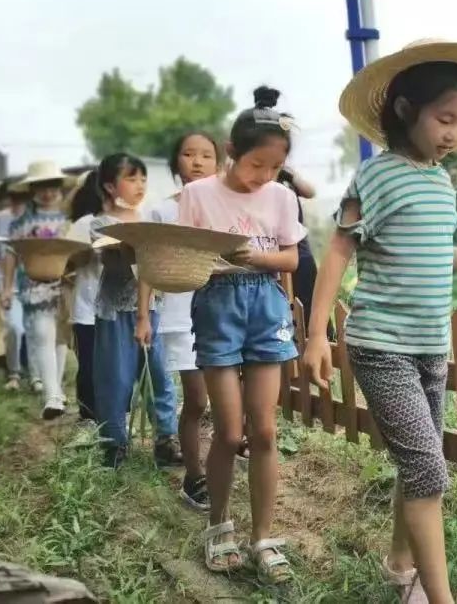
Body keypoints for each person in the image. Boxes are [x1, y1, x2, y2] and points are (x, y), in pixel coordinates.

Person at [304, 41, 457, 604]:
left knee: (418, 460)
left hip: (430, 347)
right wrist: (316, 335)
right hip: (382, 344)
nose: (453, 133)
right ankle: (441, 598)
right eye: (443, 118)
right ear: (406, 109)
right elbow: (337, 251)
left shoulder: (438, 181)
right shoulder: (376, 177)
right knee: (430, 470)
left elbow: (431, 252)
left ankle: (400, 567)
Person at [179, 86, 304, 579]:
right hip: (217, 307)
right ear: (231, 153)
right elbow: (184, 259)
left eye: (273, 168)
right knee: (230, 432)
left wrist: (254, 257)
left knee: (266, 429)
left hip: (265, 305)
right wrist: (216, 263)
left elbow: (292, 257)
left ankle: (263, 538)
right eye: (256, 165)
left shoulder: (281, 197)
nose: (264, 177)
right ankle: (219, 527)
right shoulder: (197, 195)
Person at [137, 131, 221, 509]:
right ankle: (194, 476)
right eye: (189, 154)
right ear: (176, 163)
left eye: (206, 155)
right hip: (179, 316)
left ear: (219, 163)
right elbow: (147, 267)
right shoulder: (161, 212)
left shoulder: (226, 210)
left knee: (226, 403)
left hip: (224, 315)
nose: (198, 161)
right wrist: (143, 315)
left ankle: (219, 467)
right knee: (197, 400)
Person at [90, 153, 180, 469]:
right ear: (110, 187)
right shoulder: (101, 223)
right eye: (131, 178)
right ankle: (114, 444)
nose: (140, 185)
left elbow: (153, 262)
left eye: (143, 178)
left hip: (150, 309)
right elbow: (119, 259)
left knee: (159, 375)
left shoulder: (148, 219)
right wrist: (141, 244)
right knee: (116, 378)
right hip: (117, 310)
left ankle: (166, 440)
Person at [2, 161, 71, 419]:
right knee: (43, 335)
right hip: (34, 286)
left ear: (60, 188)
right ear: (32, 190)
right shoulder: (19, 225)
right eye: (41, 187)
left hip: (65, 287)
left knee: (61, 339)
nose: (47, 192)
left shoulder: (69, 219)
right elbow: (9, 256)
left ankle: (57, 388)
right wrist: (7, 288)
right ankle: (51, 395)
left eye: (52, 186)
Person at [0, 179, 33, 390]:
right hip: (8, 283)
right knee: (14, 328)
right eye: (12, 198)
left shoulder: (35, 219)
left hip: (33, 283)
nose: (15, 203)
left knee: (32, 330)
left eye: (20, 198)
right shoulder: (1, 219)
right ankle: (14, 373)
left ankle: (35, 375)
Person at [277, 165, 333, 340]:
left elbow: (310, 191)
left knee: (308, 303)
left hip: (301, 252)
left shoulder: (286, 178)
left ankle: (319, 339)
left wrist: (290, 174)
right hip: (275, 254)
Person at [66, 171, 102, 426]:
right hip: (88, 305)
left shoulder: (126, 220)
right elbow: (65, 260)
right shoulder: (83, 224)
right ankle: (88, 413)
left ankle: (114, 412)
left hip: (119, 307)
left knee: (114, 364)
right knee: (89, 361)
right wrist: (85, 252)